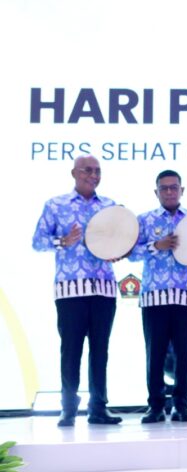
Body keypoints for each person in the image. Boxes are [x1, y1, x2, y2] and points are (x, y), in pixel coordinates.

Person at [31, 155, 122, 426]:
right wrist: (63, 241)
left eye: (98, 171)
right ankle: (68, 408)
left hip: (104, 288)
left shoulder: (110, 206)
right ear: (74, 173)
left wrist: (119, 251)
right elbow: (37, 242)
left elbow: (123, 240)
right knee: (70, 350)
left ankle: (99, 408)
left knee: (100, 350)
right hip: (70, 290)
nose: (93, 175)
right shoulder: (56, 204)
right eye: (87, 170)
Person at [129, 170, 187, 423]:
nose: (169, 192)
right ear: (156, 192)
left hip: (185, 295)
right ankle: (156, 406)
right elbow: (130, 253)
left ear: (182, 190)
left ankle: (182, 405)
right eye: (164, 188)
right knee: (155, 354)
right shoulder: (144, 220)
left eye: (174, 187)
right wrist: (156, 246)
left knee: (184, 354)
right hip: (154, 297)